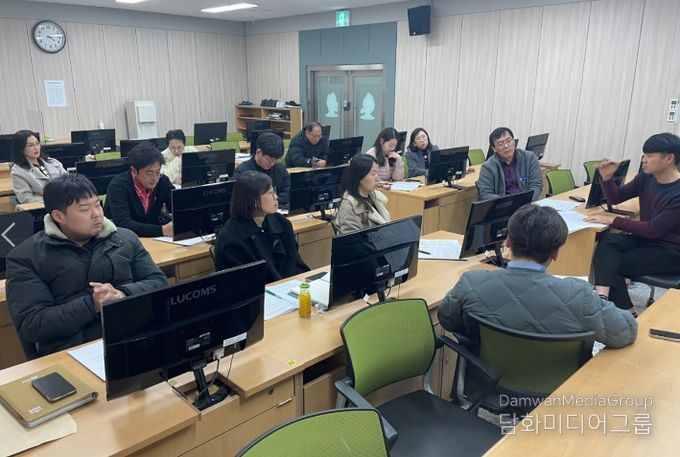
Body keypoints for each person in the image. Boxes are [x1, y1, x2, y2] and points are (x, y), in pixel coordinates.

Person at [6, 174, 167, 356]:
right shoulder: (26, 257)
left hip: (134, 334)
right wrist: (92, 304)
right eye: (84, 209)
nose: (97, 214)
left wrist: (123, 293)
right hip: (73, 349)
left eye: (98, 204)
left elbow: (158, 281)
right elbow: (33, 325)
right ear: (59, 216)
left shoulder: (125, 238)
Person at [438, 203, 637, 348]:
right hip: (557, 389)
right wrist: (600, 300)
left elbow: (447, 319)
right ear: (556, 253)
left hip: (485, 381)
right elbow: (627, 331)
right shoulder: (579, 295)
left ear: (508, 242)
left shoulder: (472, 283)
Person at [586, 132, 680, 313]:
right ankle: (603, 299)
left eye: (649, 156)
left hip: (671, 252)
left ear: (669, 159)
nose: (644, 160)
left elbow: (653, 230)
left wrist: (613, 220)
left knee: (611, 265)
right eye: (644, 155)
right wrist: (607, 178)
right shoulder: (646, 178)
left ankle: (625, 313)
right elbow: (616, 197)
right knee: (608, 242)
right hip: (646, 241)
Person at [214, 171, 309, 283]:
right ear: (253, 201)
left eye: (274, 192)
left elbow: (296, 263)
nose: (276, 197)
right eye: (270, 193)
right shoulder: (230, 239)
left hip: (290, 287)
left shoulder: (282, 223)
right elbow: (239, 285)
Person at [104, 142, 173, 237]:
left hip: (155, 238)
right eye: (149, 173)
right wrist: (162, 230)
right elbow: (123, 224)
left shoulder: (162, 181)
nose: (154, 178)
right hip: (125, 239)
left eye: (158, 172)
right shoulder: (118, 186)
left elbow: (178, 207)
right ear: (134, 171)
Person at [477, 127, 542, 201]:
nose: (506, 146)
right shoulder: (488, 167)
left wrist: (527, 200)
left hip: (528, 203)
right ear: (494, 148)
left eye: (508, 141)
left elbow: (536, 184)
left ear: (514, 141)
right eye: (500, 144)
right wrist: (508, 203)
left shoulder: (530, 158)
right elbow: (485, 194)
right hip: (504, 205)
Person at [335, 154, 391, 235]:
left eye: (377, 173)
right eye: (373, 174)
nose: (378, 178)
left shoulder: (374, 196)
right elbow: (352, 240)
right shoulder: (349, 205)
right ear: (360, 177)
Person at [234, 131, 290, 208]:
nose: (272, 164)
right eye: (270, 160)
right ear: (258, 152)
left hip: (278, 208)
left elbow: (288, 191)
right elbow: (242, 200)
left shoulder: (280, 168)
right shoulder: (242, 173)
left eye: (276, 160)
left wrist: (273, 202)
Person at [10, 129, 68, 203]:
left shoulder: (52, 162)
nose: (36, 148)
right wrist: (51, 201)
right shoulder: (18, 171)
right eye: (31, 145)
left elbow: (69, 183)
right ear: (20, 148)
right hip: (43, 207)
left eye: (37, 143)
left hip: (66, 202)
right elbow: (26, 198)